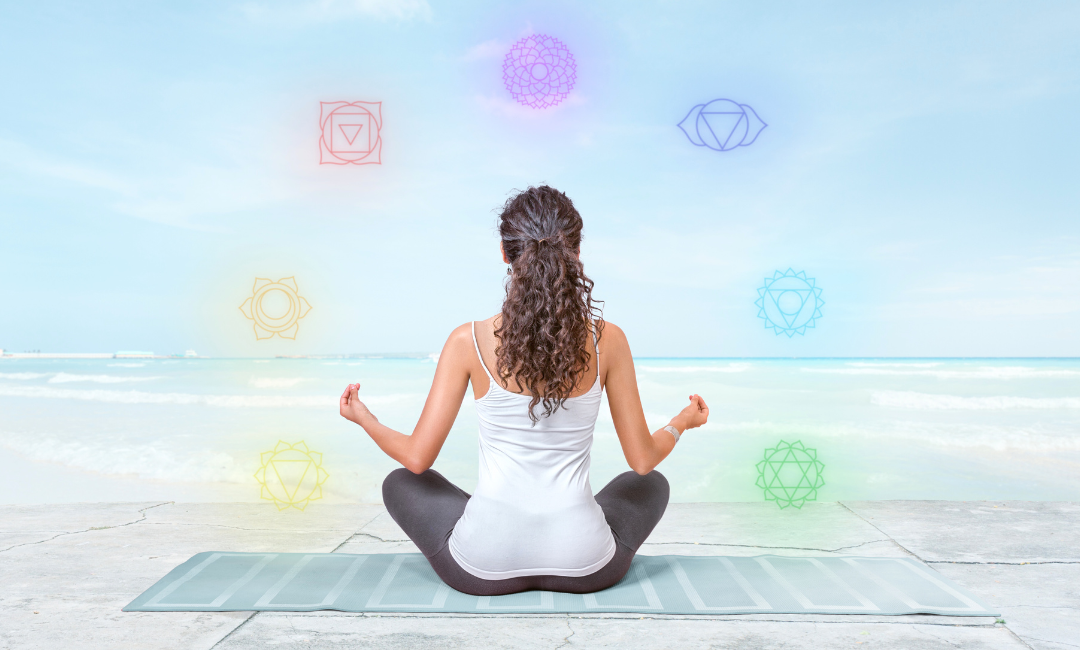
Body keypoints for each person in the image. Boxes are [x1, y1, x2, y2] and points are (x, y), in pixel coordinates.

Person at [339, 185, 709, 596]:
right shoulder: (610, 341)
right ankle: (556, 527)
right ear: (577, 251)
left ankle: (492, 519)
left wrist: (364, 417)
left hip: (483, 566)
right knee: (651, 484)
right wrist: (683, 421)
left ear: (504, 252)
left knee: (400, 482)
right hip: (586, 566)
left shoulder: (469, 341)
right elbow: (642, 460)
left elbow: (416, 457)